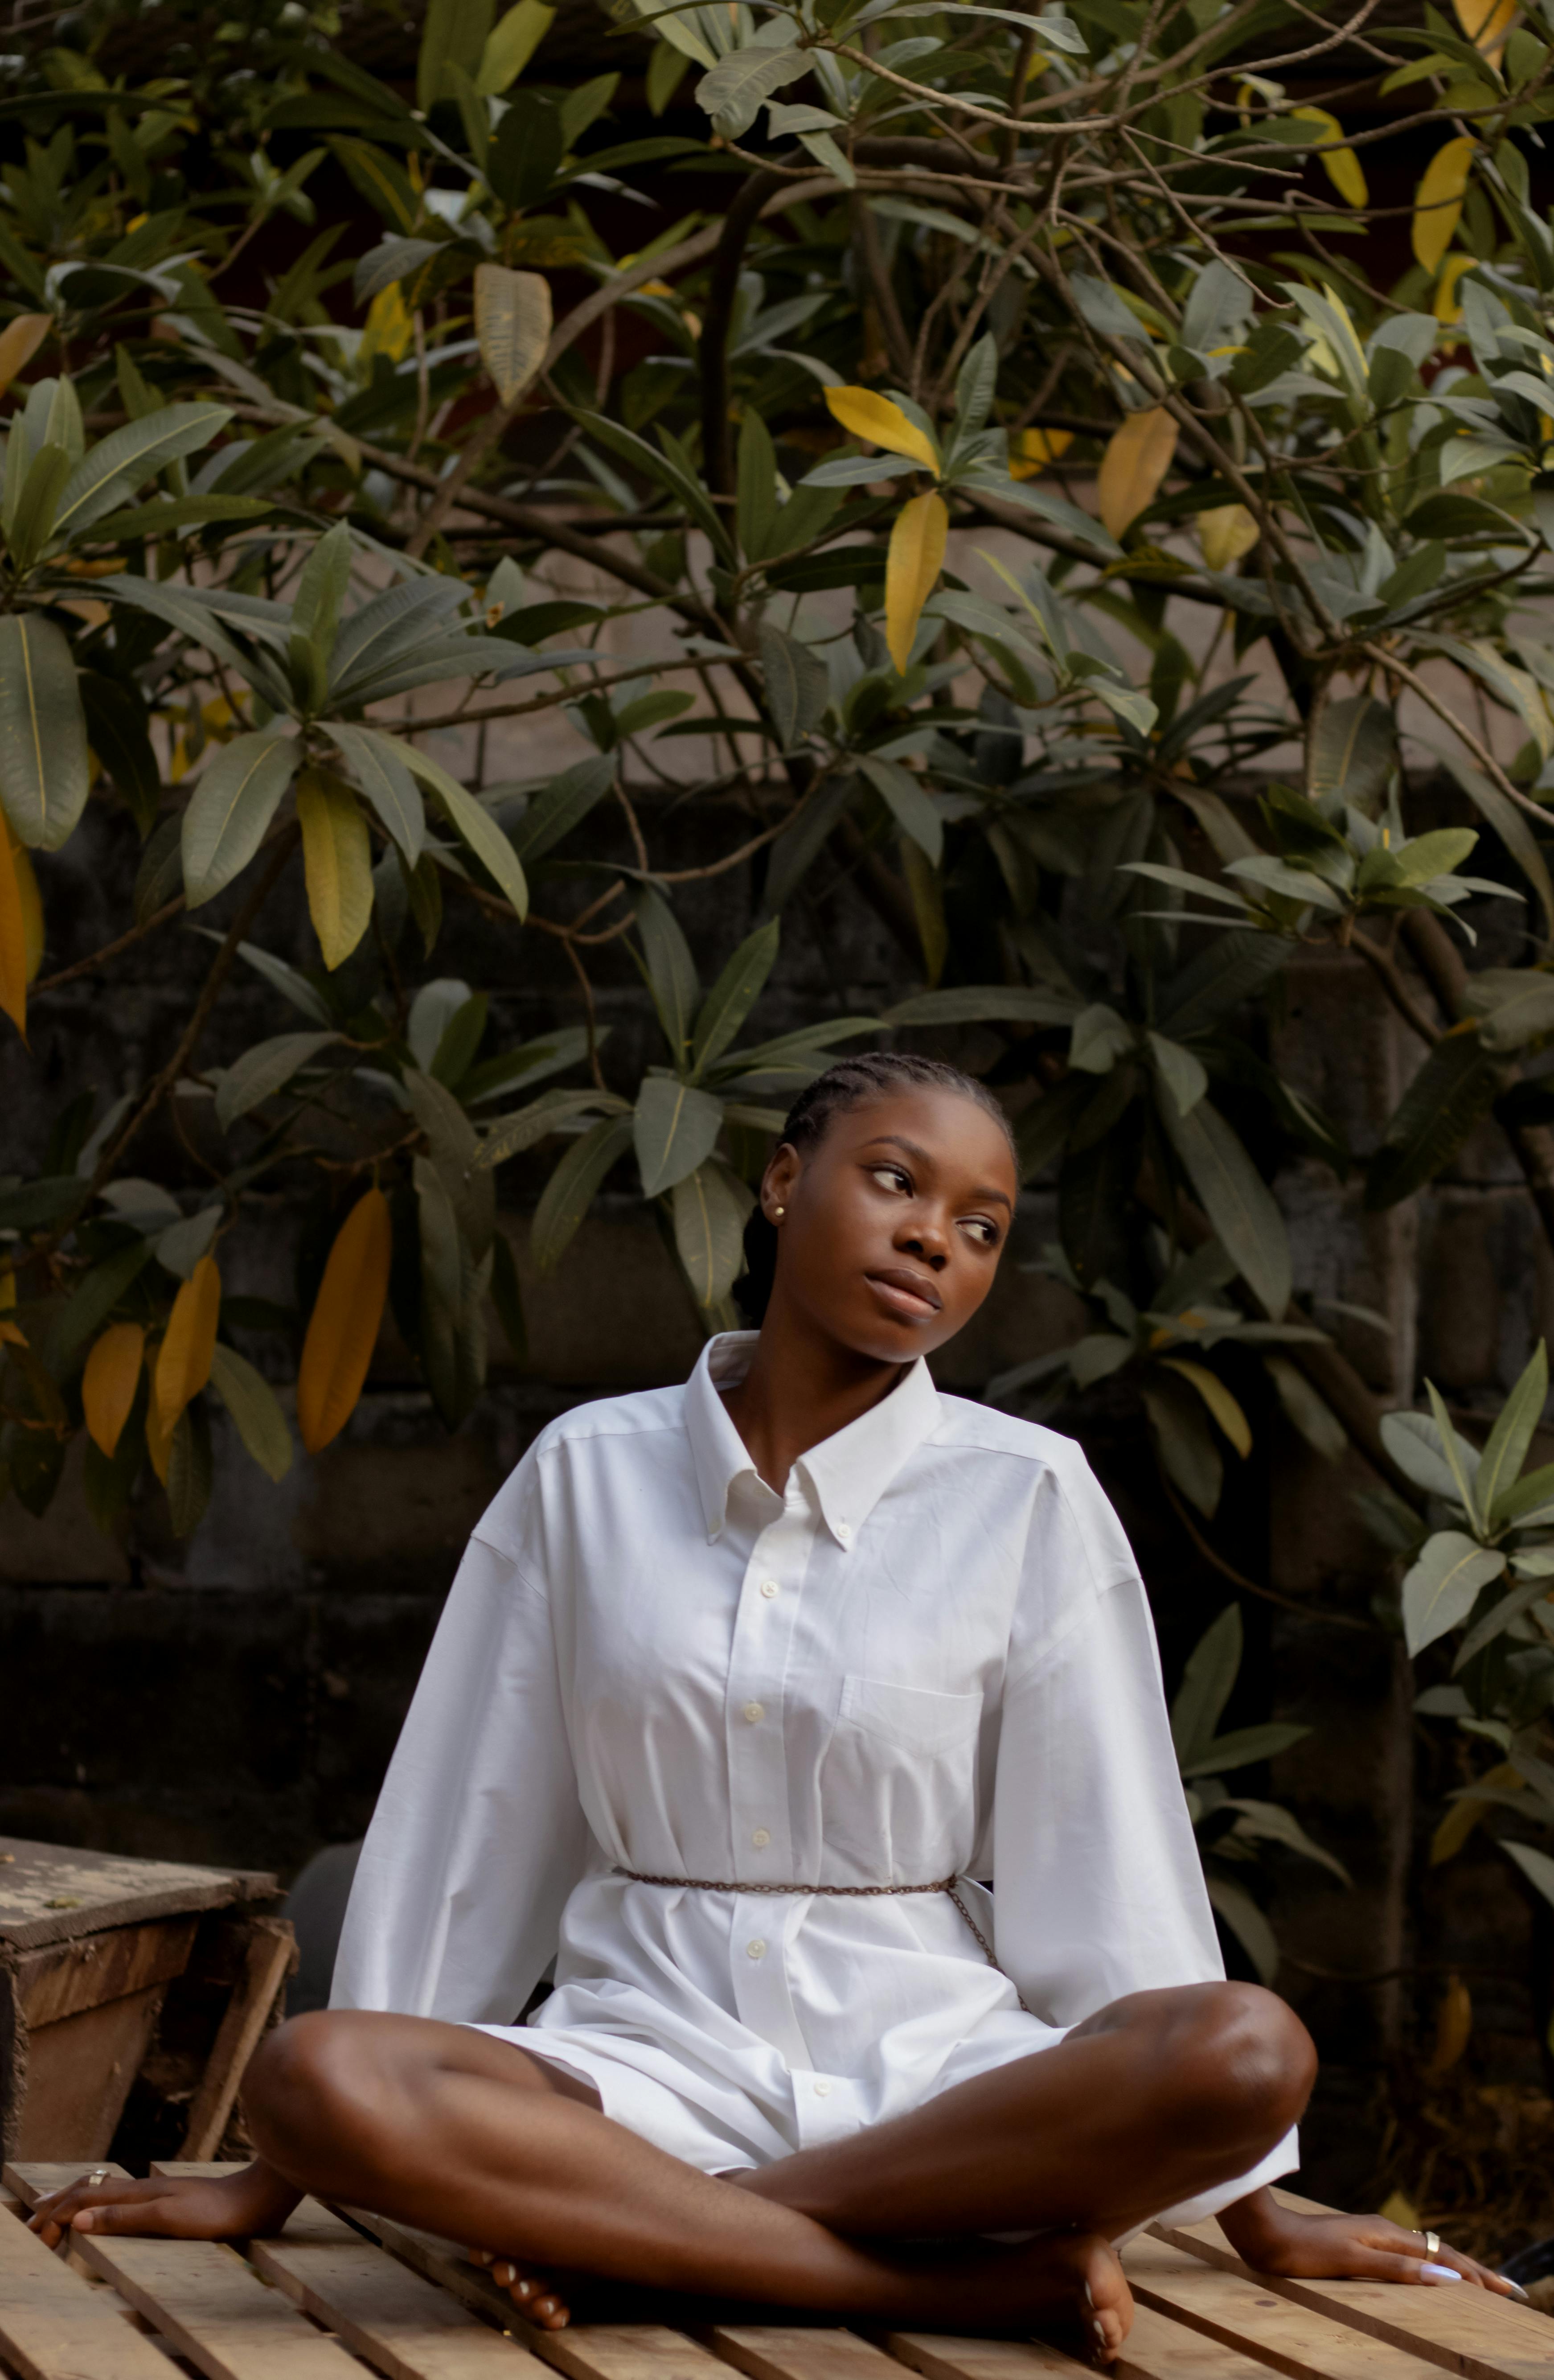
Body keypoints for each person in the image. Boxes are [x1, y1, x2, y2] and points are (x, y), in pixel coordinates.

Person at [30, 1054, 1520, 2353]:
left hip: (944, 2084)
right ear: (782, 1179)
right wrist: (277, 2164)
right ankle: (948, 2293)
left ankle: (671, 2244)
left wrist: (1256, 2211)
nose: (935, 1238)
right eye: (896, 1182)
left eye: (982, 1228)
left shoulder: (1027, 1495)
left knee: (1247, 2052)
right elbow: (469, 1827)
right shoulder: (586, 1474)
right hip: (635, 2066)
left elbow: (1112, 1861)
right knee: (318, 2070)